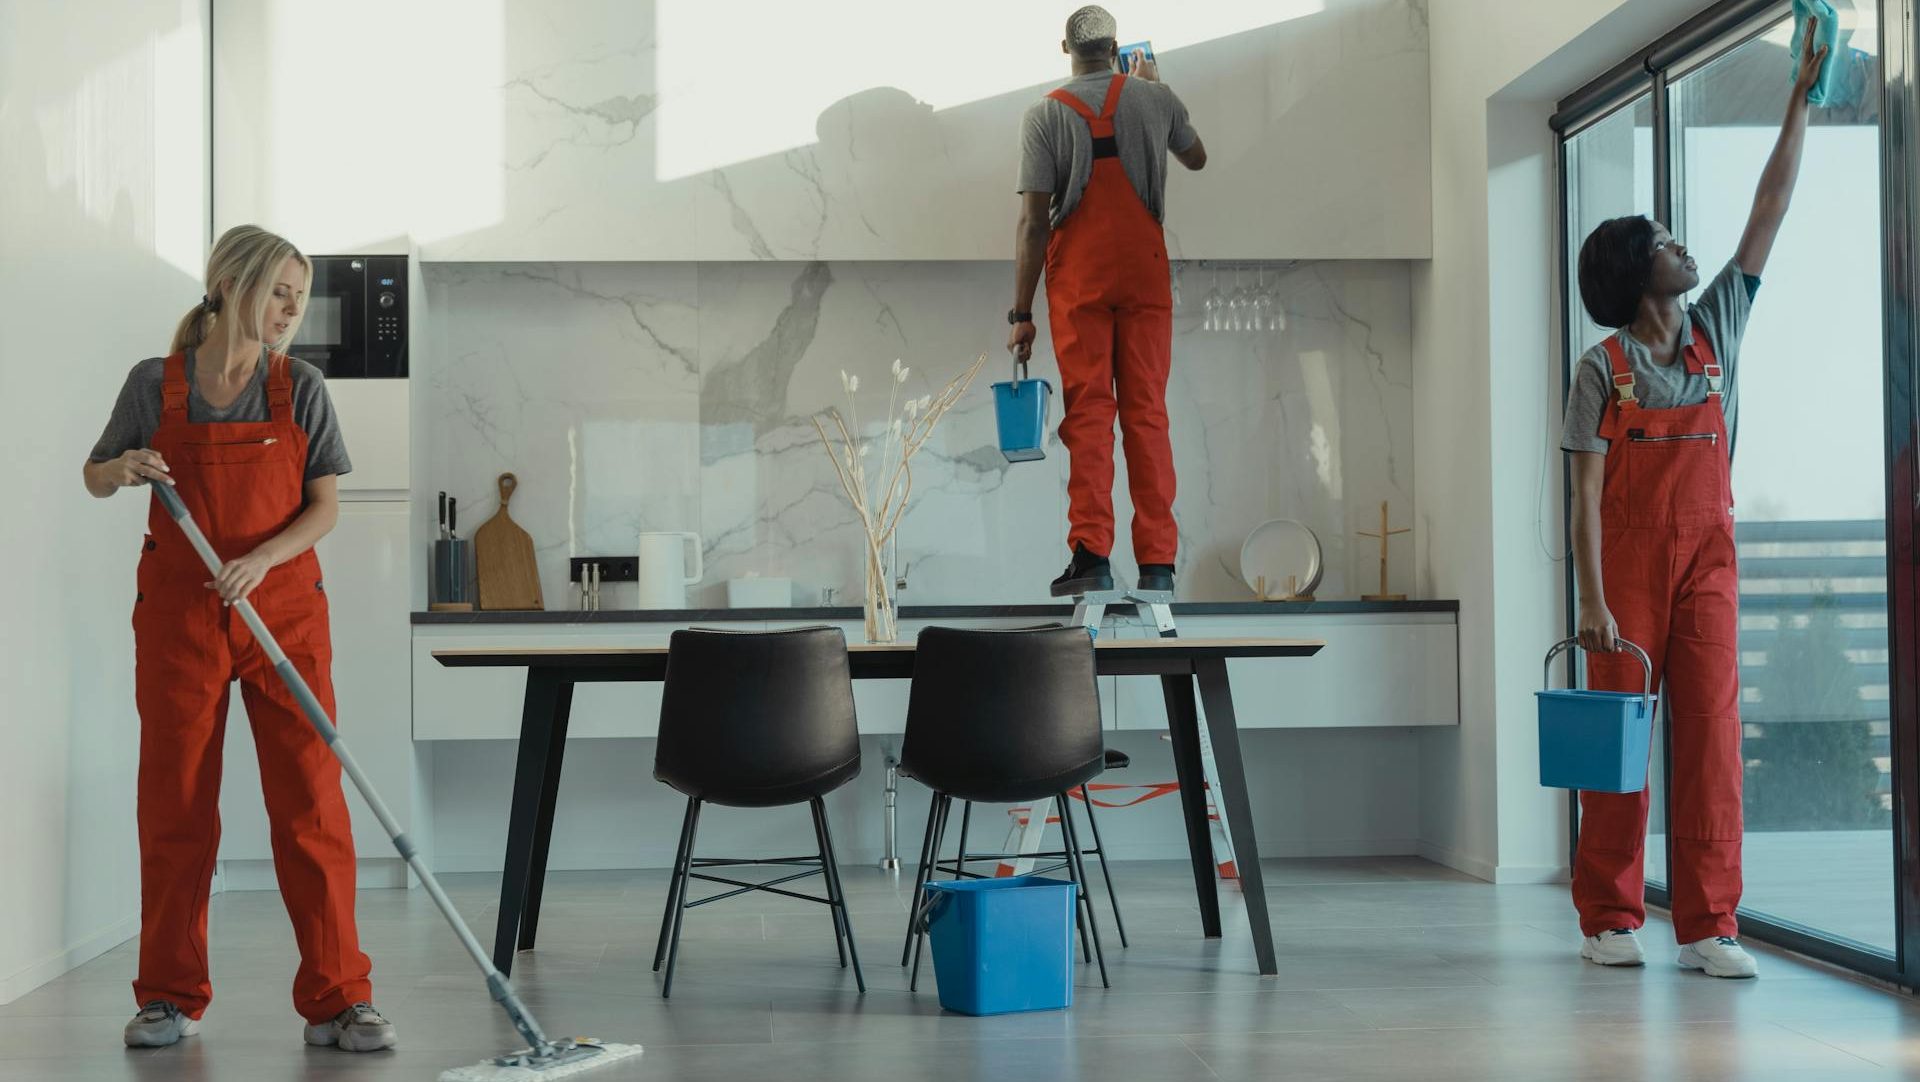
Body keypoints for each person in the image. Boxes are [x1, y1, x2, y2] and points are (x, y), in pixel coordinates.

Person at [84, 225, 397, 1050]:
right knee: (177, 806)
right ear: (227, 284)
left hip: (283, 614)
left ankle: (338, 999)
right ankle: (167, 996)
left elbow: (325, 506)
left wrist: (262, 557)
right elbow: (95, 472)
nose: (292, 309)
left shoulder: (302, 388)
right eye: (279, 291)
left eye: (300, 294)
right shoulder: (156, 385)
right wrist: (123, 470)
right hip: (181, 617)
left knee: (311, 806)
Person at [1559, 20, 1828, 980]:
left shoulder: (1718, 326)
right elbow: (1583, 495)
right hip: (1624, 568)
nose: (1683, 249)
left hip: (1709, 557)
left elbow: (1773, 203)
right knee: (1619, 741)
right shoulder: (1601, 370)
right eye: (1665, 245)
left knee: (1711, 735)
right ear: (1638, 276)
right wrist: (1591, 600)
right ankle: (1609, 915)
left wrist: (1799, 94)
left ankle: (1713, 923)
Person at [1008, 4, 1207, 597]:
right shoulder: (1156, 97)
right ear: (1117, 46)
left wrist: (1021, 313)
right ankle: (1158, 563)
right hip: (1144, 272)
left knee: (1089, 415)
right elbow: (1197, 157)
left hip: (1080, 280)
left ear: (1063, 47)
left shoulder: (1044, 115)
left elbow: (1032, 223)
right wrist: (1154, 89)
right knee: (1147, 411)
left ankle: (1092, 554)